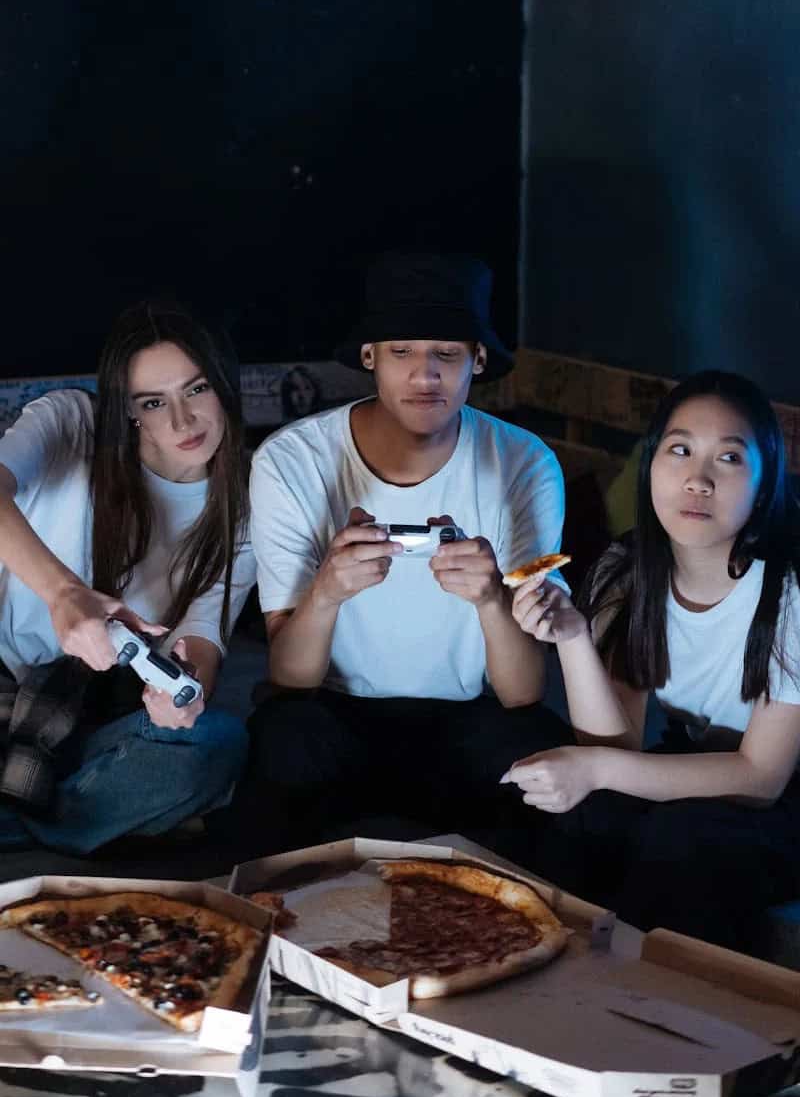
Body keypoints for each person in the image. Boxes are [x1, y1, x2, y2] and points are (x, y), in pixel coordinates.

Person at [229, 251, 571, 856]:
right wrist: (328, 592)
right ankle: (272, 939)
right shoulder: (292, 460)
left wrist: (492, 600)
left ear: (479, 361)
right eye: (402, 352)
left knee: (538, 757)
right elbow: (288, 677)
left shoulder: (524, 462)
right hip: (333, 714)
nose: (424, 376)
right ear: (370, 358)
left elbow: (522, 694)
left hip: (466, 720)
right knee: (281, 739)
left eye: (446, 354)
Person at [503, 370, 800, 952]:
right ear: (652, 465)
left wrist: (593, 770)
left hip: (788, 795)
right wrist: (572, 637)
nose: (698, 479)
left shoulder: (788, 591)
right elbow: (616, 748)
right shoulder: (629, 569)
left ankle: (672, 1016)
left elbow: (761, 780)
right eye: (681, 450)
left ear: (764, 487)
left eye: (730, 459)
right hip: (706, 768)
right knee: (583, 813)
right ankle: (541, 983)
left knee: (679, 835)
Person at [0, 299, 255, 855]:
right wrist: (63, 594)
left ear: (224, 382)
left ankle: (25, 821)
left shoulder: (244, 504)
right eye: (153, 402)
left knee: (212, 745)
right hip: (7, 687)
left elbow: (203, 633)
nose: (182, 421)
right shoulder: (72, 423)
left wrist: (184, 695)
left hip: (102, 717)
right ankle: (71, 820)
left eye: (197, 389)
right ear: (131, 409)